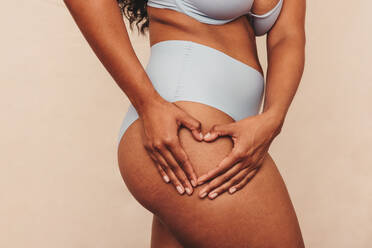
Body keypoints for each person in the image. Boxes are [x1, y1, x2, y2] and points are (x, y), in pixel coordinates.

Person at [64, 0, 306, 247]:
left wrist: (274, 116)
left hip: (219, 128)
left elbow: (287, 35)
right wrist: (147, 103)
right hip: (187, 127)